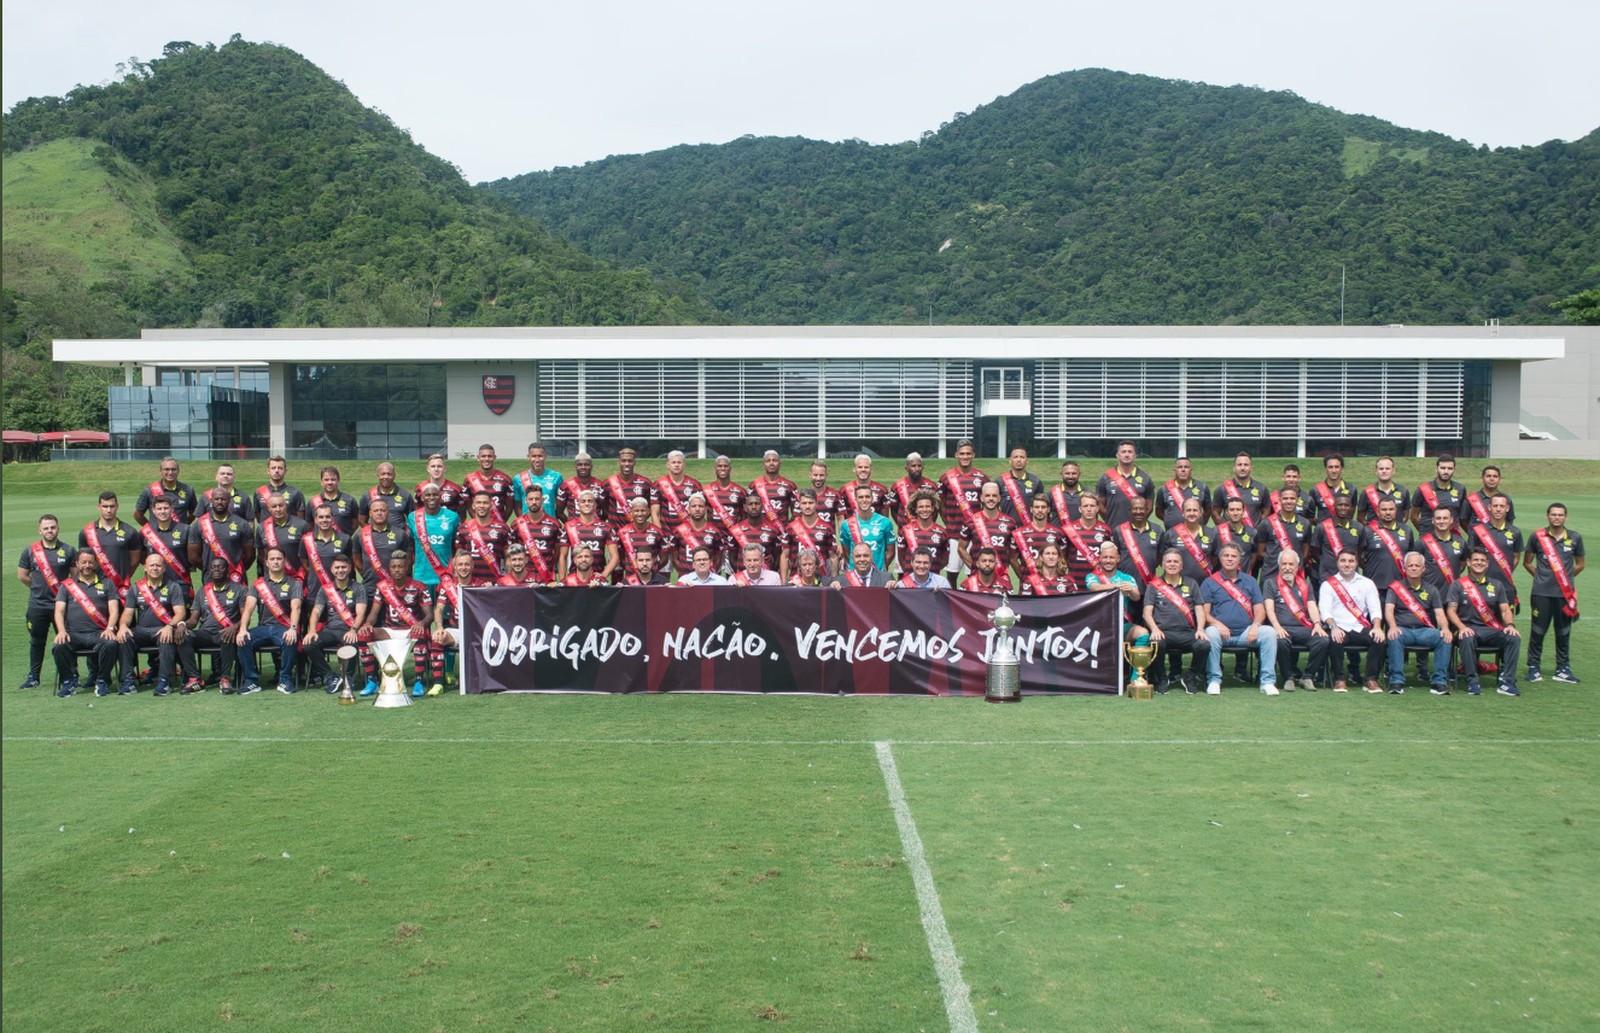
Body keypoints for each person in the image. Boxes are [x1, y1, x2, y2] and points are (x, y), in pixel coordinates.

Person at [1202, 542, 1279, 695]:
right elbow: (1204, 613)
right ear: (1220, 558)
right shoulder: (1210, 582)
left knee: (1269, 633)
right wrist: (1218, 624)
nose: (1229, 559)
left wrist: (1256, 626)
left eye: (1233, 556)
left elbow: (1259, 609)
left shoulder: (1249, 581)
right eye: (1226, 556)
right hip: (1221, 634)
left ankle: (1267, 681)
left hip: (1246, 633)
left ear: (1239, 560)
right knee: (1210, 633)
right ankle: (1214, 680)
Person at [1447, 549, 1522, 696]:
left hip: (1490, 630)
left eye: (1482, 560)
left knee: (1513, 637)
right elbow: (1451, 611)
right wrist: (1462, 628)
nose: (1479, 563)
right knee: (1467, 637)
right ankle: (1472, 681)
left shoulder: (1497, 585)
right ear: (1468, 562)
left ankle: (1507, 681)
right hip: (1467, 629)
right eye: (1475, 560)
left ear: (1487, 564)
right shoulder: (1458, 585)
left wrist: (1511, 626)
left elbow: (1505, 610)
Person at [364, 550, 439, 697]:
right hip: (389, 630)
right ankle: (372, 680)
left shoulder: (419, 586)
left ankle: (419, 681)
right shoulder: (383, 587)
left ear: (407, 567)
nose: (397, 570)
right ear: (389, 568)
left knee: (420, 633)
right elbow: (373, 613)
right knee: (364, 634)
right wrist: (367, 624)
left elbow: (430, 615)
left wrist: (421, 623)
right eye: (393, 567)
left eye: (400, 566)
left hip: (410, 630)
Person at [1524, 502, 1584, 684]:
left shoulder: (1575, 537)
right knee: (1538, 631)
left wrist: (1564, 579)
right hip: (1541, 593)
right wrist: (1541, 576)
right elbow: (1527, 562)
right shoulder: (1537, 536)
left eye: (1560, 515)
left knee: (1564, 631)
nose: (1557, 517)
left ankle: (1563, 668)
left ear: (1565, 517)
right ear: (1547, 516)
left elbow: (1580, 564)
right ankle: (1533, 667)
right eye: (1553, 514)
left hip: (1564, 594)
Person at [115, 552, 190, 697]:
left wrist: (169, 626)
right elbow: (128, 613)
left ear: (164, 568)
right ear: (145, 568)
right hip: (142, 631)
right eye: (152, 565)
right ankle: (128, 681)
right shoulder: (136, 588)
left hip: (162, 629)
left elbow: (180, 613)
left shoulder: (173, 587)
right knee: (125, 637)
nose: (155, 568)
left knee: (166, 637)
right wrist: (123, 626)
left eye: (158, 565)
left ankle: (164, 681)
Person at [17, 514, 77, 689]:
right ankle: (34, 677)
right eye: (46, 528)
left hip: (62, 606)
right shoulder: (30, 551)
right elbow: (22, 575)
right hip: (38, 605)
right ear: (39, 530)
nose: (50, 531)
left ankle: (72, 674)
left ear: (58, 528)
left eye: (53, 527)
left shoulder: (68, 550)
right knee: (37, 641)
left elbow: (75, 578)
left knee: (67, 640)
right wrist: (37, 587)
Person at [52, 551, 122, 697]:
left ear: (96, 564)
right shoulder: (67, 586)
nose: (87, 566)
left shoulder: (107, 583)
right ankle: (68, 682)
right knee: (59, 646)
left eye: (90, 562)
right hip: (74, 634)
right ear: (77, 564)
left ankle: (102, 680)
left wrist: (109, 628)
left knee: (110, 644)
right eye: (83, 562)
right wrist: (61, 631)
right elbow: (59, 611)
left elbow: (114, 610)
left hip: (98, 633)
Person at [1143, 548, 1213, 694]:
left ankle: (1190, 676)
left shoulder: (1192, 583)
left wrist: (1200, 629)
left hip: (1187, 632)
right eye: (1169, 561)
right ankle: (1162, 678)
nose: (1172, 564)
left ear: (1182, 566)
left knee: (1204, 645)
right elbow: (1147, 613)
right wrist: (1155, 629)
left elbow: (1200, 609)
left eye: (1176, 561)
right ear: (1162, 565)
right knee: (1156, 643)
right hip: (1163, 632)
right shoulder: (1153, 585)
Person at [1318, 549, 1387, 693]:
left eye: (1351, 561)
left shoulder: (1367, 583)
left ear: (1356, 563)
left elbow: (1375, 608)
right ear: (1337, 563)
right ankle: (1339, 679)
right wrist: (1333, 627)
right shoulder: (1328, 585)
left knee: (1379, 639)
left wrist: (1377, 626)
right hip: (1338, 626)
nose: (1347, 564)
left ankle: (1370, 679)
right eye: (1343, 561)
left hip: (1359, 627)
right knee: (1334, 639)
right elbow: (1325, 611)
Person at [1384, 552, 1453, 695]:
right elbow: (1389, 611)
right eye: (1410, 565)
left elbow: (1440, 613)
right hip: (1403, 630)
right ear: (1404, 568)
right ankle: (1396, 682)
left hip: (1425, 631)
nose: (1414, 568)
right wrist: (1392, 627)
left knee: (1444, 638)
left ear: (1423, 569)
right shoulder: (1395, 588)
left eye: (1417, 565)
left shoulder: (1432, 589)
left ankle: (1439, 682)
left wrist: (1445, 628)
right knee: (1394, 636)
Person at [1262, 550, 1329, 692]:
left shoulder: (1305, 584)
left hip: (1303, 627)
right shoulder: (1270, 583)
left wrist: (1317, 624)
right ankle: (1288, 677)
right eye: (1284, 564)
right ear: (1279, 565)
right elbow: (1269, 608)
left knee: (1322, 640)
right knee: (1280, 640)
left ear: (1297, 566)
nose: (1287, 567)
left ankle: (1308, 677)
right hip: (1283, 627)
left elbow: (1312, 605)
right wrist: (1277, 627)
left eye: (1291, 564)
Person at [188, 557, 256, 694]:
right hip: (206, 633)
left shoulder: (240, 590)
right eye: (213, 567)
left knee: (228, 636)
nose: (216, 570)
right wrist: (182, 625)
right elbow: (193, 620)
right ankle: (194, 679)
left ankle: (225, 679)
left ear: (228, 570)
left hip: (227, 632)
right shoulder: (203, 591)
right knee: (184, 636)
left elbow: (246, 617)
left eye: (220, 567)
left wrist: (235, 627)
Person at [305, 553, 371, 694]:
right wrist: (311, 631)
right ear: (332, 569)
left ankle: (348, 678)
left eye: (343, 567)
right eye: (337, 567)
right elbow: (316, 611)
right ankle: (331, 677)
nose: (340, 570)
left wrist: (353, 630)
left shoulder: (358, 588)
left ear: (349, 568)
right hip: (330, 630)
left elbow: (361, 613)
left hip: (348, 629)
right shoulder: (325, 589)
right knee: (308, 644)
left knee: (352, 643)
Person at [245, 546, 303, 695]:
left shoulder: (294, 583)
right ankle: (251, 681)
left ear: (284, 562)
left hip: (282, 628)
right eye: (272, 559)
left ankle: (285, 680)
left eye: (279, 559)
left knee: (290, 639)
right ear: (266, 562)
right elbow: (248, 608)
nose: (276, 562)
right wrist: (242, 629)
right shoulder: (258, 584)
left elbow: (296, 608)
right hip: (263, 628)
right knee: (244, 640)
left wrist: (293, 628)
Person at [430, 552, 484, 691]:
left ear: (472, 566)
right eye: (460, 564)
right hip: (456, 631)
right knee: (437, 637)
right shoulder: (447, 586)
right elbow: (439, 609)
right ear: (454, 567)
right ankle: (438, 683)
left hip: (478, 631)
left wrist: (489, 590)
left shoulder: (481, 585)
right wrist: (440, 627)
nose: (464, 567)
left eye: (467, 564)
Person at [939, 439, 987, 585]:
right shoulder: (946, 478)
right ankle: (951, 603)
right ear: (956, 455)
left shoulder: (982, 478)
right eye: (962, 454)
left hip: (975, 534)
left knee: (973, 573)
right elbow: (941, 504)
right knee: (952, 573)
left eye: (968, 453)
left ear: (973, 455)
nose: (965, 457)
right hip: (954, 533)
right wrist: (949, 523)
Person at [80, 491, 143, 593]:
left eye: (112, 506)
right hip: (94, 589)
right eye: (105, 506)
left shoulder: (130, 532)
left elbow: (135, 560)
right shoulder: (86, 532)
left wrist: (121, 578)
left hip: (120, 588)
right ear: (98, 507)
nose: (109, 510)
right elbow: (82, 560)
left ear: (117, 506)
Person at [189, 488, 253, 584]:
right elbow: (193, 556)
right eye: (216, 499)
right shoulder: (199, 524)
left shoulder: (241, 524)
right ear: (211, 501)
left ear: (229, 500)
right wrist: (210, 569)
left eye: (223, 499)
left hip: (236, 578)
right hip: (210, 579)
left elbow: (250, 555)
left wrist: (236, 569)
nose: (220, 502)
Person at [1468, 494, 1522, 606]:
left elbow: (1516, 557)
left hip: (1506, 585)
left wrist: (1505, 570)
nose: (1498, 509)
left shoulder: (1515, 532)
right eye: (1495, 505)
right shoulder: (1477, 531)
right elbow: (1471, 557)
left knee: (1507, 621)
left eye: (1502, 506)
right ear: (1489, 507)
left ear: (1507, 508)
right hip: (1481, 585)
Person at [957, 482, 1016, 579]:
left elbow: (1012, 553)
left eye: (994, 496)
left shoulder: (1010, 523)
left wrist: (1004, 567)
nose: (991, 499)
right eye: (987, 495)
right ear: (982, 498)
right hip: (977, 578)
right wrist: (974, 567)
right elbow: (961, 548)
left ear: (999, 498)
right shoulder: (970, 522)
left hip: (1001, 577)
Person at [728, 492, 790, 581]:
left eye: (757, 504)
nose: (754, 507)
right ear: (745, 507)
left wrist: (769, 575)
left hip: (766, 580)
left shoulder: (773, 530)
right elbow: (732, 558)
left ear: (762, 506)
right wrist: (742, 574)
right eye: (750, 504)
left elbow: (777, 558)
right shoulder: (735, 530)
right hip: (743, 580)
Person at [303, 503, 356, 607]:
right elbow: (305, 564)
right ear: (316, 519)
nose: (324, 520)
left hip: (340, 595)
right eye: (321, 517)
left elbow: (351, 566)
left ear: (332, 519)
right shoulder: (306, 540)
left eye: (327, 516)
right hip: (315, 594)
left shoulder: (345, 539)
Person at [838, 484, 897, 574]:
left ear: (872, 499)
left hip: (877, 574)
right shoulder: (846, 525)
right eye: (861, 497)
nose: (864, 500)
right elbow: (847, 553)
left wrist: (882, 567)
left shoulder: (885, 522)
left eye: (867, 497)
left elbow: (891, 551)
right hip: (855, 576)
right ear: (856, 499)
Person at [410, 484, 461, 589]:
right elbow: (411, 545)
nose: (431, 498)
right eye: (428, 495)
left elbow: (457, 545)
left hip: (445, 576)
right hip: (421, 577)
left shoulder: (452, 516)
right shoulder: (413, 517)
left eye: (435, 495)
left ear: (440, 496)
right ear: (422, 497)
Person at [560, 490, 619, 581]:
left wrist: (603, 576)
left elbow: (615, 556)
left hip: (597, 580)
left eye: (590, 501)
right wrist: (562, 581)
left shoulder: (606, 527)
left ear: (595, 505)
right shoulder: (569, 527)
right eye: (583, 501)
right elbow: (563, 556)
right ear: (578, 505)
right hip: (575, 579)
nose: (586, 504)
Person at [1254, 486, 1309, 581]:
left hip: (1295, 576)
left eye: (1292, 498)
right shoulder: (1266, 523)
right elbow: (1260, 552)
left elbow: (1305, 552)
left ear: (1297, 500)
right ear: (1279, 500)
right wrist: (1274, 561)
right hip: (1270, 575)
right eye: (1285, 498)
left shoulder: (1305, 523)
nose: (1289, 501)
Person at [509, 484, 562, 583]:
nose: (534, 502)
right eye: (531, 499)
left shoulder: (554, 524)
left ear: (542, 500)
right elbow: (512, 551)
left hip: (546, 576)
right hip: (523, 577)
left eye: (537, 499)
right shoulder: (516, 524)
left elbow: (557, 553)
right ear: (526, 500)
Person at [1098, 439, 1157, 528]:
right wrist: (1111, 519)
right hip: (1113, 529)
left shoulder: (1145, 478)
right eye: (1123, 452)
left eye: (1130, 452)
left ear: (1135, 455)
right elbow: (1100, 505)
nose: (1126, 455)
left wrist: (1138, 522)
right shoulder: (1106, 478)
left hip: (1137, 531)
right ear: (1117, 455)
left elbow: (1149, 507)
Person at [1084, 542, 1139, 636]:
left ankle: (1125, 650)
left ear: (1118, 559)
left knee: (1142, 633)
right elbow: (1095, 588)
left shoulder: (1127, 578)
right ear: (1100, 558)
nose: (1108, 561)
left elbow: (1136, 597)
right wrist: (1116, 586)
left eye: (1111, 557)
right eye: (1105, 557)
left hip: (1121, 624)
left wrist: (1131, 589)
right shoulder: (1092, 576)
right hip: (1097, 625)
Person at [1360, 497, 1415, 591]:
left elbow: (1411, 556)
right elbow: (1358, 556)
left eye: (1391, 509)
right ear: (1378, 511)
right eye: (1384, 510)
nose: (1388, 512)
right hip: (1374, 586)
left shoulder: (1406, 530)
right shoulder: (1367, 531)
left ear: (1396, 511)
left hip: (1401, 587)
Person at [455, 490, 511, 582]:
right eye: (478, 503)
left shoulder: (502, 528)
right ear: (473, 506)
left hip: (495, 581)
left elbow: (508, 557)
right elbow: (458, 556)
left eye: (485, 503)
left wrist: (508, 579)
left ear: (491, 506)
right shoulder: (463, 528)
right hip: (471, 583)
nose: (481, 506)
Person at [140, 497, 193, 592]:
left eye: (166, 508)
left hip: (180, 584)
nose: (163, 511)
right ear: (154, 511)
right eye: (159, 509)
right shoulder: (146, 532)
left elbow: (192, 557)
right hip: (154, 586)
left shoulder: (185, 530)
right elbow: (142, 557)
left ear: (172, 509)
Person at [1058, 493, 1111, 588]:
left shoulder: (1106, 530)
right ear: (1080, 509)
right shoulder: (1069, 530)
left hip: (1098, 583)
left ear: (1097, 508)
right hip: (1074, 583)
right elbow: (1061, 557)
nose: (1089, 509)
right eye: (1085, 506)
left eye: (1092, 506)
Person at [356, 497, 410, 589]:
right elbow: (357, 560)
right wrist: (366, 574)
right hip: (369, 586)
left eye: (383, 510)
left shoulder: (400, 534)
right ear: (370, 514)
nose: (379, 513)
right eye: (376, 510)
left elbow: (408, 560)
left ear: (388, 512)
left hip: (395, 587)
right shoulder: (360, 535)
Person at [1307, 495, 1361, 585]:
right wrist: (1327, 561)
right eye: (1340, 505)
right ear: (1334, 506)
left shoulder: (1359, 528)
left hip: (1351, 578)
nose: (1343, 508)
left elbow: (1360, 549)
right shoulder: (1322, 527)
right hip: (1328, 577)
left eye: (1346, 505)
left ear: (1351, 508)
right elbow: (1314, 551)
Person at [672, 493, 729, 578]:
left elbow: (718, 559)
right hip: (685, 578)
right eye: (694, 506)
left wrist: (709, 573)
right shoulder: (678, 531)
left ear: (706, 509)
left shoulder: (715, 532)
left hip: (707, 579)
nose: (697, 509)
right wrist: (683, 574)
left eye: (701, 506)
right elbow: (675, 559)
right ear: (688, 509)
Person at [1011, 495, 1064, 588]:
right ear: (1031, 509)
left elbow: (1062, 560)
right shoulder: (1020, 533)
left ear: (1048, 510)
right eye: (1037, 507)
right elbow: (1013, 559)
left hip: (1051, 587)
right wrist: (1024, 578)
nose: (1040, 510)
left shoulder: (1058, 533)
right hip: (1028, 586)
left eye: (1043, 507)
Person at [1158, 497, 1214, 583]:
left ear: (1200, 513)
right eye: (1188, 510)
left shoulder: (1211, 534)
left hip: (1206, 584)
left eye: (1195, 510)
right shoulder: (1171, 534)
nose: (1191, 513)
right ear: (1183, 513)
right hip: (1179, 585)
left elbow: (1216, 558)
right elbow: (1163, 559)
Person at [618, 497, 674, 583]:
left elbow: (664, 558)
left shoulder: (657, 532)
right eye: (636, 511)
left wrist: (652, 568)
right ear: (631, 512)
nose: (640, 514)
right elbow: (621, 557)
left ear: (648, 512)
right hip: (631, 581)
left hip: (652, 580)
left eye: (643, 510)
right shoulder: (623, 532)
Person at [255, 493, 308, 583]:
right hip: (272, 581)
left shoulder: (301, 525)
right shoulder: (261, 528)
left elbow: (309, 553)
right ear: (269, 509)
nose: (278, 509)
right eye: (274, 506)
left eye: (281, 505)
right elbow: (261, 554)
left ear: (286, 506)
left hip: (297, 579)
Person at [900, 490, 953, 576]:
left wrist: (933, 570)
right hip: (910, 582)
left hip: (932, 580)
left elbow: (945, 559)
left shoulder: (942, 532)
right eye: (921, 507)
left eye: (927, 506)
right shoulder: (905, 531)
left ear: (932, 508)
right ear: (916, 509)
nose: (924, 510)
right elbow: (901, 557)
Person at [604, 447, 660, 528]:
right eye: (623, 461)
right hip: (615, 533)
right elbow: (604, 507)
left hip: (637, 533)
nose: (626, 464)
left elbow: (649, 508)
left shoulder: (645, 483)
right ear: (618, 462)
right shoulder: (608, 483)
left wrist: (639, 520)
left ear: (634, 462)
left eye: (630, 461)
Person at [1208, 451, 1268, 527]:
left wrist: (1258, 529)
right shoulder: (1222, 489)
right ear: (1234, 468)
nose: (1242, 468)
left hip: (1254, 537)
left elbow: (1266, 512)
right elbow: (1215, 512)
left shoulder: (1262, 488)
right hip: (1229, 537)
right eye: (1239, 465)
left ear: (1251, 468)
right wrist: (1225, 529)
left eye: (1246, 465)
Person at [1417, 505, 1467, 593]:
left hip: (1452, 595)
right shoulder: (1422, 543)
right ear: (1433, 520)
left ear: (1451, 520)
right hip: (1429, 595)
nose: (1442, 521)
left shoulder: (1461, 542)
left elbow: (1462, 564)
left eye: (1445, 518)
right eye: (1438, 518)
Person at [134, 456, 199, 525]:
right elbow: (137, 515)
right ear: (160, 471)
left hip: (180, 534)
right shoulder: (149, 491)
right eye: (166, 469)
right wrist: (151, 529)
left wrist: (183, 527)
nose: (170, 472)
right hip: (157, 535)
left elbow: (193, 513)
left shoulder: (188, 490)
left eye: (173, 469)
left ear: (178, 471)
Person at [787, 488, 837, 576]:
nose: (807, 506)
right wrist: (784, 581)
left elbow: (833, 557)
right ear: (799, 505)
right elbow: (785, 557)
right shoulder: (791, 528)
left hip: (821, 580)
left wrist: (833, 579)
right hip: (797, 579)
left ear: (816, 504)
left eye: (810, 503)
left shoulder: (827, 528)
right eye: (804, 503)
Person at [464, 444, 518, 524]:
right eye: (483, 456)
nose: (486, 459)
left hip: (498, 525)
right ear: (478, 458)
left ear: (494, 458)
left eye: (489, 456)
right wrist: (479, 522)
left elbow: (509, 508)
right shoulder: (469, 480)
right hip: (478, 526)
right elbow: (469, 507)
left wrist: (500, 523)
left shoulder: (505, 479)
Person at [1113, 495, 1161, 585]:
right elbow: (1116, 557)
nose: (1138, 512)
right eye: (1135, 509)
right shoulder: (1119, 531)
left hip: (1149, 583)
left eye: (1141, 508)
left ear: (1147, 510)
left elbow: (1160, 556)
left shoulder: (1157, 530)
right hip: (1125, 584)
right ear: (1129, 510)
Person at [1410, 454, 1466, 530]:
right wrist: (1424, 532)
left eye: (1450, 468)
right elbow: (1414, 516)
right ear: (1436, 469)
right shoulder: (1423, 490)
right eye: (1443, 468)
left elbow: (1463, 517)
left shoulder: (1460, 489)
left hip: (1452, 539)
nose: (1446, 471)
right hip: (1429, 540)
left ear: (1454, 470)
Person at [514, 441, 566, 518]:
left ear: (545, 456)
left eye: (540, 456)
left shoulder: (556, 477)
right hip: (528, 526)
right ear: (528, 457)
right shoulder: (518, 479)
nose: (537, 459)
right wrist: (523, 522)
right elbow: (517, 507)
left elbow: (561, 504)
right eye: (534, 456)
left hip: (549, 524)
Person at [250, 455, 305, 523]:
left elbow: (301, 520)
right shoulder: (259, 493)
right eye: (273, 468)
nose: (276, 471)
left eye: (280, 468)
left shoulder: (295, 493)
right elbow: (258, 517)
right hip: (267, 532)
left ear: (285, 471)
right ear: (268, 471)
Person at [748, 449, 798, 524]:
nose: (771, 463)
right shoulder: (754, 485)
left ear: (780, 463)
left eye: (775, 460)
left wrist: (789, 527)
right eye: (768, 461)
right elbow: (747, 509)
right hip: (762, 531)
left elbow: (796, 511)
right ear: (763, 464)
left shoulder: (789, 485)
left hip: (782, 531)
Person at [654, 450, 703, 527]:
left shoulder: (695, 485)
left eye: (679, 462)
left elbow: (700, 513)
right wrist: (660, 535)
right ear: (668, 465)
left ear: (684, 464)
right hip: (667, 533)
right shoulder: (658, 484)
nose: (676, 465)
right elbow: (655, 514)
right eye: (673, 462)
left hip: (688, 535)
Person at [1358, 456, 1410, 525]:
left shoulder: (1403, 491)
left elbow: (1405, 516)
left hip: (1395, 534)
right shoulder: (1367, 492)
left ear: (1393, 471)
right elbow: (1360, 517)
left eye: (1387, 468)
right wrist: (1370, 530)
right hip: (1374, 534)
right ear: (1376, 471)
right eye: (1381, 469)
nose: (1384, 471)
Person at [1158, 457, 1208, 529]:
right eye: (1179, 467)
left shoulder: (1202, 488)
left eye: (1186, 467)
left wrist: (1200, 522)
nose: (1183, 470)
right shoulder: (1164, 489)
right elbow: (1159, 512)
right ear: (1174, 469)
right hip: (1171, 535)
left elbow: (1208, 511)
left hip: (1195, 535)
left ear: (1191, 469)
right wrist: (1169, 520)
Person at [1212, 497, 1258, 574]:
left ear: (1243, 512)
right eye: (1232, 510)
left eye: (1238, 509)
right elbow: (1213, 558)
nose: (1235, 513)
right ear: (1227, 512)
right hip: (1221, 581)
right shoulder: (1216, 531)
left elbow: (1253, 557)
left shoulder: (1253, 533)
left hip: (1243, 580)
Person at [557, 452, 607, 523]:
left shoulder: (600, 485)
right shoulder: (566, 486)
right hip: (574, 531)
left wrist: (598, 523)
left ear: (591, 466)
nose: (583, 467)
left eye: (586, 465)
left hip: (594, 529)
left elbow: (606, 512)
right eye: (580, 465)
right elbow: (559, 512)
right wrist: (569, 525)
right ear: (575, 467)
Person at [997, 447, 1044, 521]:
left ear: (1027, 460)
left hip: (1028, 528)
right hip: (1006, 526)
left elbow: (1041, 505)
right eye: (1015, 457)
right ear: (1010, 460)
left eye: (1022, 457)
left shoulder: (1036, 481)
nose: (1019, 460)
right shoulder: (1000, 481)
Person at [309, 465, 360, 535]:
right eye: (326, 480)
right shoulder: (312, 502)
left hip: (343, 544)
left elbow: (355, 524)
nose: (329, 482)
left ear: (338, 481)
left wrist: (344, 537)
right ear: (321, 482)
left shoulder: (350, 500)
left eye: (333, 479)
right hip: (320, 544)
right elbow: (309, 525)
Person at [1463, 464, 1515, 532]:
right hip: (1476, 541)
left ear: (1499, 479)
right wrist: (1474, 535)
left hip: (1498, 541)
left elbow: (1510, 519)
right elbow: (1463, 520)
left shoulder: (1506, 498)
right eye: (1488, 476)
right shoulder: (1471, 499)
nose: (1492, 479)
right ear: (1482, 478)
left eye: (1495, 476)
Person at [890, 453, 938, 526]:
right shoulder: (898, 486)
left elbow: (935, 509)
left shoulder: (931, 486)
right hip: (905, 532)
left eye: (919, 466)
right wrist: (901, 526)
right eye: (913, 466)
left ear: (922, 467)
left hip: (925, 531)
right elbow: (893, 509)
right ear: (907, 468)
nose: (917, 468)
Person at [840, 454, 891, 519]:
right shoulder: (845, 490)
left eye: (866, 467)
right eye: (860, 467)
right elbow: (841, 517)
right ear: (854, 469)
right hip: (853, 528)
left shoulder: (882, 490)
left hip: (875, 528)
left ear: (871, 469)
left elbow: (885, 518)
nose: (863, 470)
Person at [1308, 453, 1355, 523]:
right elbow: (1310, 517)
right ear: (1325, 469)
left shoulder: (1351, 489)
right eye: (1330, 467)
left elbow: (1351, 513)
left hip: (1344, 532)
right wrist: (1321, 526)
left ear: (1342, 469)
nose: (1333, 470)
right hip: (1324, 532)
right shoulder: (1315, 490)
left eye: (1337, 467)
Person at [703, 455, 746, 530]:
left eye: (725, 466)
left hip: (734, 536)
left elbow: (745, 516)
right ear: (715, 468)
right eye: (719, 466)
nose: (723, 468)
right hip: (714, 535)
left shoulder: (740, 491)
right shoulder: (706, 490)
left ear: (730, 469)